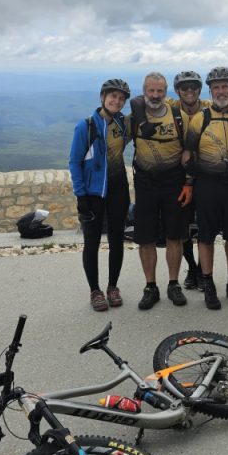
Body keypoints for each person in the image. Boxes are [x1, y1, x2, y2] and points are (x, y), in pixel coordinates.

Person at [184, 66, 228, 310]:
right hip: (208, 185)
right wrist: (192, 174)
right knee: (206, 237)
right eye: (216, 88)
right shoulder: (199, 118)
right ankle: (209, 284)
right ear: (210, 91)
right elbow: (187, 153)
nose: (221, 91)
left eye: (225, 87)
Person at [67, 78, 132, 312]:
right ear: (102, 97)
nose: (117, 100)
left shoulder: (124, 123)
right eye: (112, 96)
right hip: (93, 193)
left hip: (118, 190)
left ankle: (113, 286)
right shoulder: (86, 126)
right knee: (91, 243)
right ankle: (95, 290)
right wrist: (81, 196)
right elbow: (74, 162)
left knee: (117, 240)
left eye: (121, 98)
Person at [129, 72, 191, 310]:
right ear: (144, 90)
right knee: (146, 237)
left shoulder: (179, 116)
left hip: (173, 181)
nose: (155, 95)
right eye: (150, 91)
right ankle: (150, 286)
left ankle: (173, 284)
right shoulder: (134, 118)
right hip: (145, 182)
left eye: (160, 91)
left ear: (167, 93)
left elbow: (189, 152)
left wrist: (188, 183)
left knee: (174, 235)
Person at [171, 70, 210, 290]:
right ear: (177, 91)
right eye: (184, 88)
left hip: (202, 175)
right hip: (179, 177)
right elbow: (142, 100)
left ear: (199, 90)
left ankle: (205, 273)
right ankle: (192, 268)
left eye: (193, 87)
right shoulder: (171, 108)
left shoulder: (208, 108)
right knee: (182, 228)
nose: (189, 91)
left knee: (204, 226)